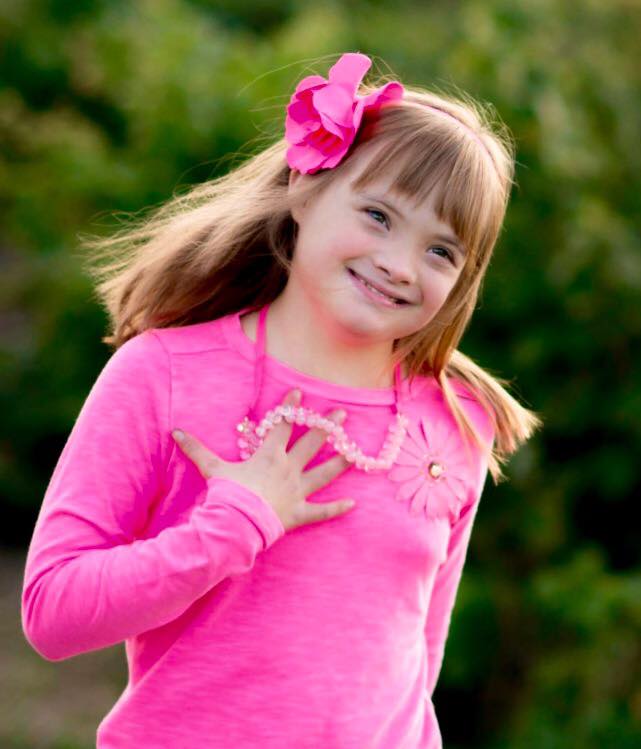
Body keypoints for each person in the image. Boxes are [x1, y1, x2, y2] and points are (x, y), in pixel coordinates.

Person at [21, 52, 542, 748]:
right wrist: (229, 527)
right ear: (305, 185)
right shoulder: (164, 374)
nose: (398, 263)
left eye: (441, 250)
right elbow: (52, 612)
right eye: (378, 214)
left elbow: (417, 659)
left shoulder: (454, 420)